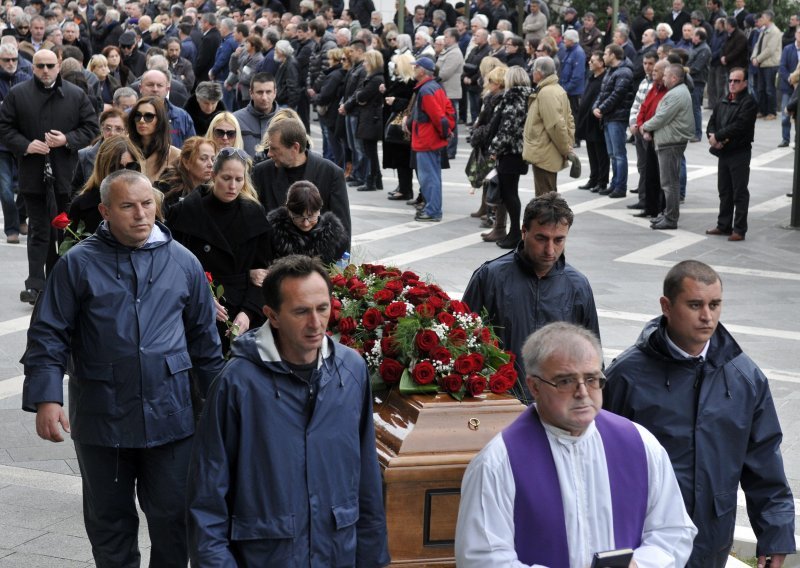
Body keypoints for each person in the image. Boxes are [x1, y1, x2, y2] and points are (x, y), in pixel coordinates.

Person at [22, 169, 225, 567]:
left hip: (172, 417)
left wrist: (221, 410)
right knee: (109, 522)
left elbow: (206, 344)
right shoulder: (77, 264)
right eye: (127, 206)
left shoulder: (183, 262)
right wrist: (46, 398)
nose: (140, 214)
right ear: (105, 211)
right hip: (102, 417)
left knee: (173, 518)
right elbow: (48, 334)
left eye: (147, 203)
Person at [187, 254, 390, 567]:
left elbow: (367, 484)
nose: (316, 323)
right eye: (301, 311)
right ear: (273, 315)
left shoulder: (352, 370)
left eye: (322, 308)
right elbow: (207, 500)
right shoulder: (237, 383)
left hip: (337, 554)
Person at [455, 322, 697, 567]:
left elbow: (673, 529)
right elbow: (482, 558)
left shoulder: (641, 445)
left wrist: (641, 565)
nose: (583, 392)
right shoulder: (498, 462)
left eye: (592, 379)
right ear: (534, 386)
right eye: (566, 381)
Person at [604, 260, 796, 568]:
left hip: (711, 541)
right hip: (645, 543)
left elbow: (764, 464)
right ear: (666, 305)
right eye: (695, 305)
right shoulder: (626, 376)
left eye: (715, 304)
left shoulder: (745, 377)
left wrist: (775, 534)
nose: (707, 316)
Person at [462, 192, 600, 404]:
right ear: (524, 232)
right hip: (499, 402)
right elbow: (462, 341)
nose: (550, 250)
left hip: (556, 406)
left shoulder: (578, 286)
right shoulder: (490, 277)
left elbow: (592, 357)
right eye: (541, 238)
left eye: (559, 240)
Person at [0, 48, 98, 305]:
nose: (45, 70)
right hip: (33, 175)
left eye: (50, 65)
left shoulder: (76, 95)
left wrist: (67, 140)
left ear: (58, 66)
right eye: (40, 65)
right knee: (39, 231)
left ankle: (57, 280)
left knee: (63, 231)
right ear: (32, 67)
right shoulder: (18, 94)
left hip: (66, 175)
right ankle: (35, 284)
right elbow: (4, 128)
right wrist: (26, 145)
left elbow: (91, 127)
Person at [167, 147, 269, 350]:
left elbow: (262, 273)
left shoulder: (254, 214)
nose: (232, 186)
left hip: (242, 310)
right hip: (196, 309)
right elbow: (173, 268)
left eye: (239, 180)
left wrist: (248, 312)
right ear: (213, 175)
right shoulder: (186, 212)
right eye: (226, 178)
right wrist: (202, 298)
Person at [252, 115, 352, 244]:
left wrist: (337, 264)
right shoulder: (261, 172)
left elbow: (342, 231)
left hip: (317, 260)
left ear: (295, 148)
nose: (269, 153)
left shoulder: (331, 173)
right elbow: (254, 223)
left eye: (274, 148)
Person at [705, 67, 758, 241]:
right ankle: (724, 225)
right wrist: (712, 136)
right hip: (724, 152)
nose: (732, 84)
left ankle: (739, 229)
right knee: (724, 190)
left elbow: (740, 126)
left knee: (739, 192)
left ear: (745, 83)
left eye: (736, 81)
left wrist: (719, 136)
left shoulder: (748, 102)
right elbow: (713, 121)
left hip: (739, 152)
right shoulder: (723, 100)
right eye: (730, 80)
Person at [641, 63, 694, 230]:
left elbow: (661, 116)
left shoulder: (676, 94)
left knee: (669, 183)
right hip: (669, 140)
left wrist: (646, 126)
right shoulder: (677, 92)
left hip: (670, 142)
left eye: (665, 76)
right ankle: (667, 214)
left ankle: (671, 218)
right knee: (670, 182)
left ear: (674, 78)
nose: (663, 78)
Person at [486, 66, 532, 249]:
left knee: (509, 193)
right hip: (518, 151)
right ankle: (513, 233)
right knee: (510, 192)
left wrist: (495, 148)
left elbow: (508, 127)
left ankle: (515, 234)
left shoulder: (514, 96)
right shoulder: (527, 96)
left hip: (510, 151)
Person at [408, 56, 455, 222]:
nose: (413, 70)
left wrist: (445, 131)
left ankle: (433, 211)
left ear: (422, 71)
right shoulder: (435, 87)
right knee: (432, 176)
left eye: (415, 67)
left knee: (429, 178)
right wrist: (446, 131)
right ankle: (433, 209)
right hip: (431, 139)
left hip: (426, 140)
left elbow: (437, 116)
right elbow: (448, 111)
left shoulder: (426, 90)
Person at [69, 135, 145, 235]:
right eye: (117, 168)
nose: (124, 175)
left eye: (132, 167)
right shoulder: (82, 206)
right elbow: (70, 245)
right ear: (103, 168)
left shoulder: (149, 201)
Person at [262, 180, 348, 266]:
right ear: (288, 210)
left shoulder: (335, 238)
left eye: (311, 216)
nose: (306, 223)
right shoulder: (271, 235)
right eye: (298, 217)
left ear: (319, 210)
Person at [592, 44, 634, 199]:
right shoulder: (611, 70)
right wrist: (596, 107)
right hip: (609, 117)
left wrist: (601, 109)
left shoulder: (624, 72)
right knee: (612, 154)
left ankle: (620, 186)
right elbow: (603, 92)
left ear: (613, 55)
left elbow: (616, 95)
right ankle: (614, 184)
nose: (603, 56)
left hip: (617, 117)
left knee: (619, 154)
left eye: (606, 53)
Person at [0, 42, 32, 244]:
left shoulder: (26, 76)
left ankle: (21, 218)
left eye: (14, 59)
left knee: (27, 186)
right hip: (1, 143)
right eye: (6, 60)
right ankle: (11, 227)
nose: (11, 63)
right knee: (4, 188)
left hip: (23, 141)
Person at [343, 49, 384, 192]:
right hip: (368, 116)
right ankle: (375, 179)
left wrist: (361, 98)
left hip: (371, 118)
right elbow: (359, 94)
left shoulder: (376, 79)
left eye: (367, 61)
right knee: (368, 149)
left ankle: (371, 180)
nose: (364, 64)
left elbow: (361, 96)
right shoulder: (372, 78)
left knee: (368, 150)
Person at [576, 50, 609, 194]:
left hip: (596, 121)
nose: (589, 63)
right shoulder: (591, 77)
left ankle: (602, 182)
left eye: (593, 61)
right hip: (587, 120)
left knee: (600, 153)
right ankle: (593, 178)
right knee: (591, 151)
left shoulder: (604, 79)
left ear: (601, 63)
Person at [127, 96, 181, 182]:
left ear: (160, 120)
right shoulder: (123, 149)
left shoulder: (175, 155)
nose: (141, 120)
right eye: (137, 115)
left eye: (149, 116)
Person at [156, 136, 216, 210]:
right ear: (186, 162)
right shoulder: (166, 189)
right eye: (203, 159)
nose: (211, 164)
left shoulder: (215, 192)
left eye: (213, 159)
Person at [233, 71, 277, 156]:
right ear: (251, 93)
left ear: (275, 93)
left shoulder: (287, 119)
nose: (264, 97)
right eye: (259, 92)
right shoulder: (236, 120)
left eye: (268, 92)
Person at [751, 10, 781, 120]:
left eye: (763, 17)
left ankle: (771, 112)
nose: (761, 19)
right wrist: (754, 57)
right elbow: (757, 45)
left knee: (769, 89)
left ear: (769, 18)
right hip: (761, 64)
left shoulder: (775, 31)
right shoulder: (764, 31)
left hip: (770, 64)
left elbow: (770, 50)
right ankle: (762, 110)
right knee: (761, 89)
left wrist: (758, 59)